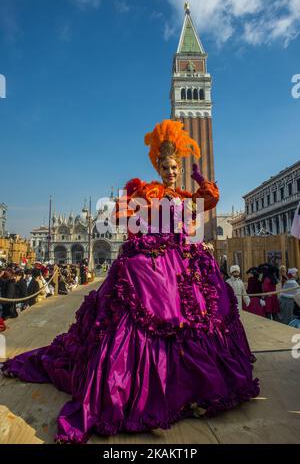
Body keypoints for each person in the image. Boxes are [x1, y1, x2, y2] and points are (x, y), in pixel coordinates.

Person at [1, 119, 259, 444]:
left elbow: (208, 199)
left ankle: (197, 388)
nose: (170, 172)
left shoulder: (182, 194)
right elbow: (122, 214)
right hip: (156, 257)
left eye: (175, 168)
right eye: (165, 167)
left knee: (207, 308)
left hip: (185, 259)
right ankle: (144, 390)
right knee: (147, 307)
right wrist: (131, 207)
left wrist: (199, 179)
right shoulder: (148, 190)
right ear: (158, 166)